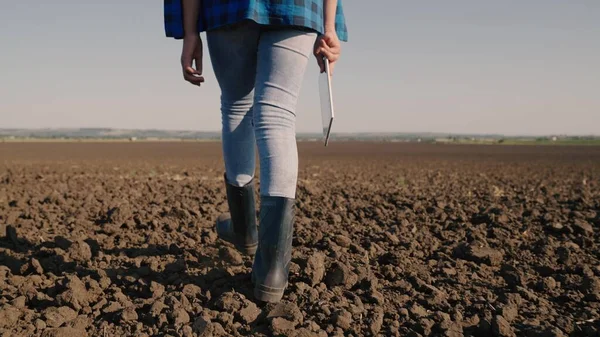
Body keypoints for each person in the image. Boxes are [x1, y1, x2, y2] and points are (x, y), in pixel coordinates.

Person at [164, 0, 348, 303]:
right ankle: (272, 270)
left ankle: (245, 229)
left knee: (236, 107)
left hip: (230, 9)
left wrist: (190, 32)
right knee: (277, 115)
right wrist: (328, 27)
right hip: (297, 7)